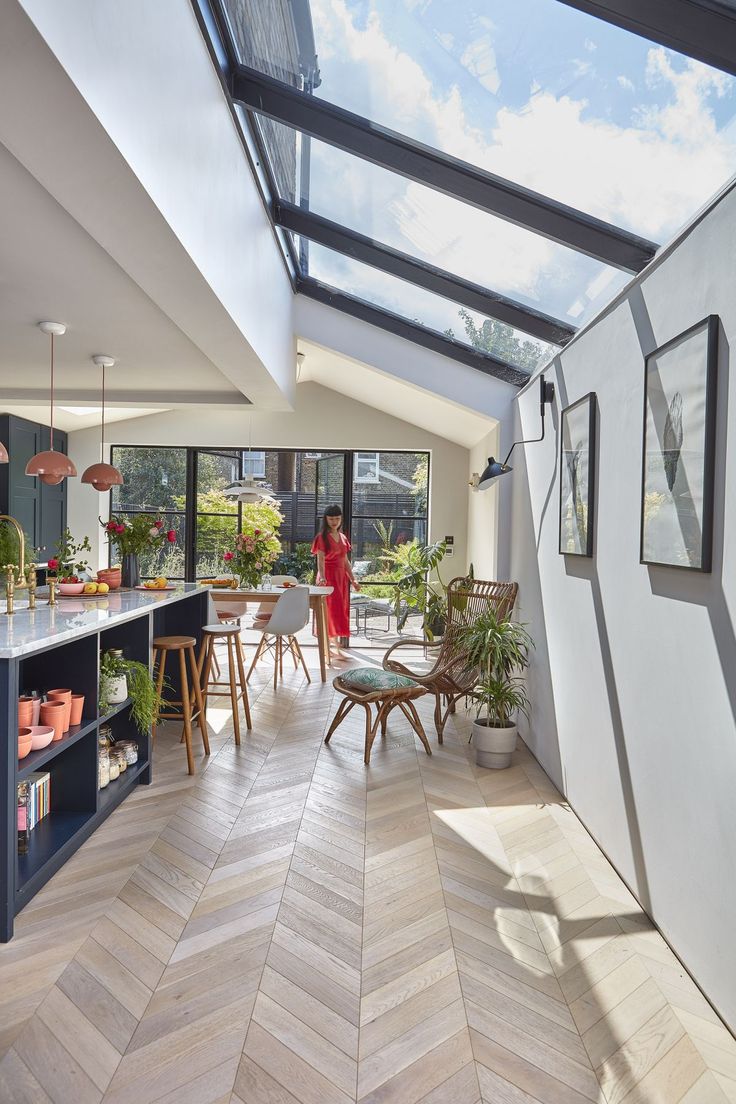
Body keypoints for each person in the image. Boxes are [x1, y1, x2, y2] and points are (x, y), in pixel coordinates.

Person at [311, 505, 360, 645]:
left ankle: (336, 644)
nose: (334, 522)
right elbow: (320, 560)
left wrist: (353, 579)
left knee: (339, 610)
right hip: (327, 577)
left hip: (341, 579)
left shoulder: (343, 537)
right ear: (325, 519)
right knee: (327, 610)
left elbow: (345, 561)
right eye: (331, 519)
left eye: (337, 519)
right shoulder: (321, 538)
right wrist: (323, 576)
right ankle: (327, 645)